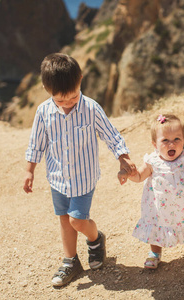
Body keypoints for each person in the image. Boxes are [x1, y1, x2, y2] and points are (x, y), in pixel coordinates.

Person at [23, 53, 136, 286]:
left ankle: (95, 239)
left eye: (73, 97)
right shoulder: (44, 112)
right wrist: (29, 171)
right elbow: (36, 144)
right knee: (64, 219)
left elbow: (111, 135)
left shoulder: (91, 109)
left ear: (80, 80)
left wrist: (123, 159)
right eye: (61, 100)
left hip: (83, 179)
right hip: (57, 179)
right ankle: (70, 261)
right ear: (47, 89)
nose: (68, 103)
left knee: (77, 220)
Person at [118, 114, 184, 269]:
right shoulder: (152, 161)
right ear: (154, 144)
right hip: (160, 208)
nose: (171, 144)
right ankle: (155, 253)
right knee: (156, 224)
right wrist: (127, 174)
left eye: (177, 139)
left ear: (183, 140)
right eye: (165, 140)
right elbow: (139, 176)